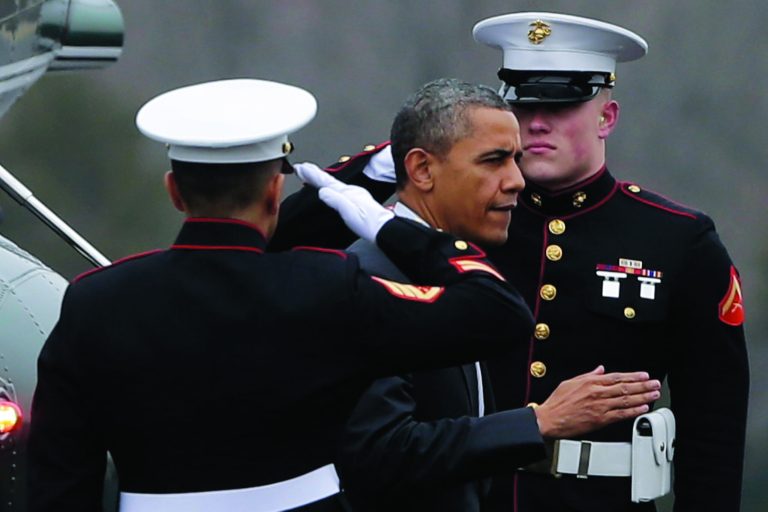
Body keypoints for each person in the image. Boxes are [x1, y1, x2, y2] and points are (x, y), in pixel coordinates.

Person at [273, 12, 749, 512]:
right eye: (522, 105)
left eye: (562, 104)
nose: (537, 123)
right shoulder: (462, 221)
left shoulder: (676, 238)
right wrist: (387, 164)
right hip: (463, 492)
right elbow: (280, 242)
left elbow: (713, 430)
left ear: (606, 117)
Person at [25, 78, 543, 512]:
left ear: (175, 191)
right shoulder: (326, 286)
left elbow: (60, 478)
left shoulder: (97, 300)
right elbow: (495, 313)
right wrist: (391, 230)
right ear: (275, 191)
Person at [304, 78, 661, 512]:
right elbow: (379, 454)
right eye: (494, 161)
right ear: (421, 170)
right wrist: (540, 422)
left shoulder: (458, 267)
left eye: (516, 160)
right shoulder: (368, 274)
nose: (516, 181)